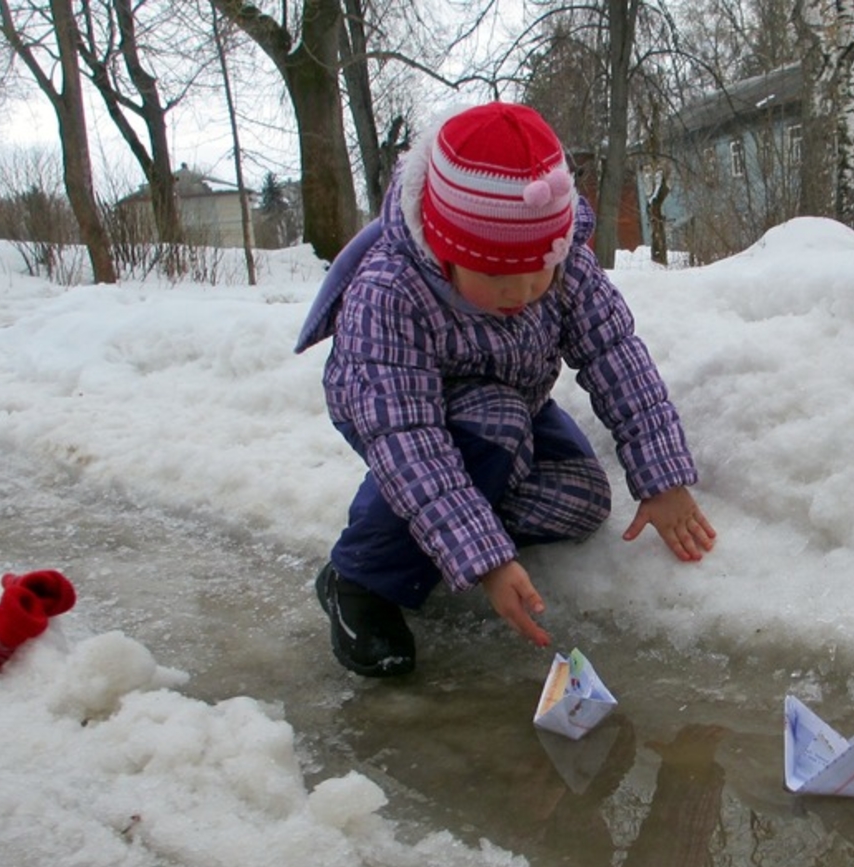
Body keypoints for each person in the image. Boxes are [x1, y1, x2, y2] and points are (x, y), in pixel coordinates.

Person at [294, 102, 716, 677]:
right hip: (398, 410)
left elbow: (614, 354)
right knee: (491, 428)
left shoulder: (562, 262)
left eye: (537, 273)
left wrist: (662, 477)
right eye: (496, 275)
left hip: (513, 401)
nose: (522, 292)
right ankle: (361, 576)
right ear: (445, 253)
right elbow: (407, 441)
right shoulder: (389, 292)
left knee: (582, 497)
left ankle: (440, 533)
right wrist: (487, 560)